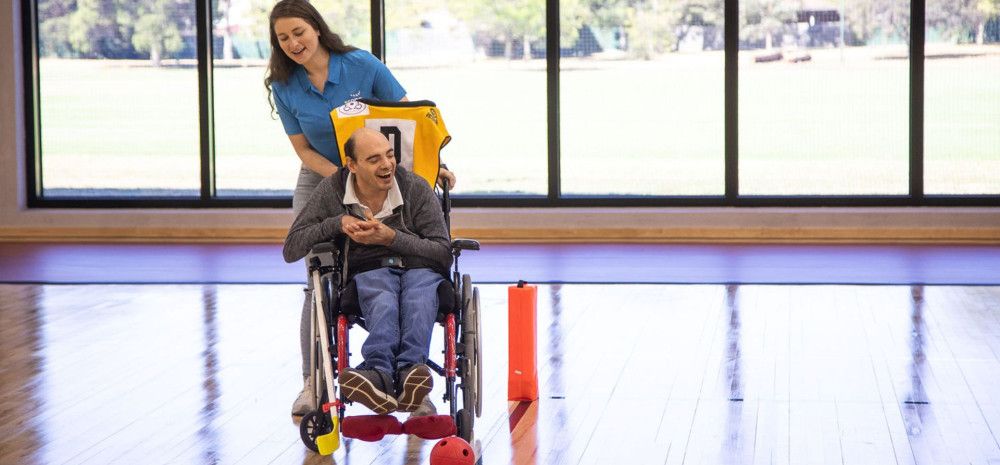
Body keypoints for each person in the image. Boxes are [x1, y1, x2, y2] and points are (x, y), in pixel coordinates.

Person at [264, 0, 455, 416]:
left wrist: (433, 164)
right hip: (324, 176)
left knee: (410, 272)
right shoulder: (283, 83)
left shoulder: (361, 65)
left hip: (381, 168)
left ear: (316, 27)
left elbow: (411, 120)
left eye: (299, 32)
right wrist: (344, 179)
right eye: (283, 38)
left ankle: (410, 380)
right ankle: (313, 383)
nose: (293, 43)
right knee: (318, 280)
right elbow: (301, 148)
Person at [283, 127, 452, 415]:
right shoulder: (333, 190)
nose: (386, 164)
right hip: (369, 266)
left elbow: (442, 252)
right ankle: (378, 375)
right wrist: (337, 223)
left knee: (417, 297)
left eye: (389, 155)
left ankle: (409, 373)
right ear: (352, 165)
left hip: (421, 265)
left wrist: (392, 238)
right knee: (383, 299)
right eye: (374, 159)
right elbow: (292, 249)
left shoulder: (415, 187)